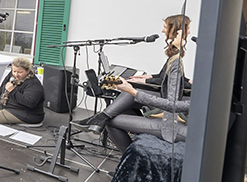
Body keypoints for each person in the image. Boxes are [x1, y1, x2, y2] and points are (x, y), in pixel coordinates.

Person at [82, 14, 191, 152]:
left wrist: (133, 91)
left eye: (165, 28)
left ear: (174, 31)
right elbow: (165, 77)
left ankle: (128, 157)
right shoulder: (176, 56)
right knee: (128, 99)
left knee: (112, 120)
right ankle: (100, 118)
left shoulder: (176, 61)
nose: (162, 31)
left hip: (169, 126)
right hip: (170, 117)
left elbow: (172, 105)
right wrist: (144, 78)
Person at [0, 57, 45, 128]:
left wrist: (13, 91)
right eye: (14, 71)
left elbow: (30, 103)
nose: (16, 74)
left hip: (28, 113)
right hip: (11, 106)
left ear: (28, 71)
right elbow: (3, 85)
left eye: (20, 72)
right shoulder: (12, 75)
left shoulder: (33, 84)